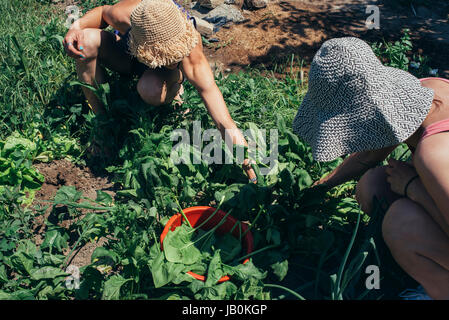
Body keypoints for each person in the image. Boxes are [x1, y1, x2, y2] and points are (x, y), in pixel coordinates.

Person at [292, 37, 449, 300]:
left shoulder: (434, 152)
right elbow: (367, 157)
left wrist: (413, 188)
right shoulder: (427, 91)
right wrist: (318, 188)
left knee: (401, 222)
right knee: (374, 185)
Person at [63, 0, 256, 182]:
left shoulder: (189, 47)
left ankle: (176, 85)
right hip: (131, 53)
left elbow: (223, 119)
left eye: (175, 57)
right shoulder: (126, 16)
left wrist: (247, 161)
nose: (172, 61)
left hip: (158, 74)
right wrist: (75, 28)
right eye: (168, 58)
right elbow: (103, 12)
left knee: (150, 90)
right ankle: (103, 124)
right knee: (85, 40)